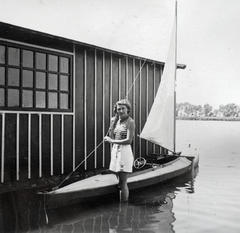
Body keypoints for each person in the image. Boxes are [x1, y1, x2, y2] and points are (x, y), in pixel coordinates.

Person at [104, 99, 135, 202]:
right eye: (118, 109)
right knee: (119, 183)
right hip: (116, 150)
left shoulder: (130, 122)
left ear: (128, 109)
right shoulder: (117, 121)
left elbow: (128, 141)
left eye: (123, 108)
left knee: (123, 184)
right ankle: (121, 208)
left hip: (124, 152)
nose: (120, 111)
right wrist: (112, 124)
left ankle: (124, 207)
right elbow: (113, 136)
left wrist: (111, 140)